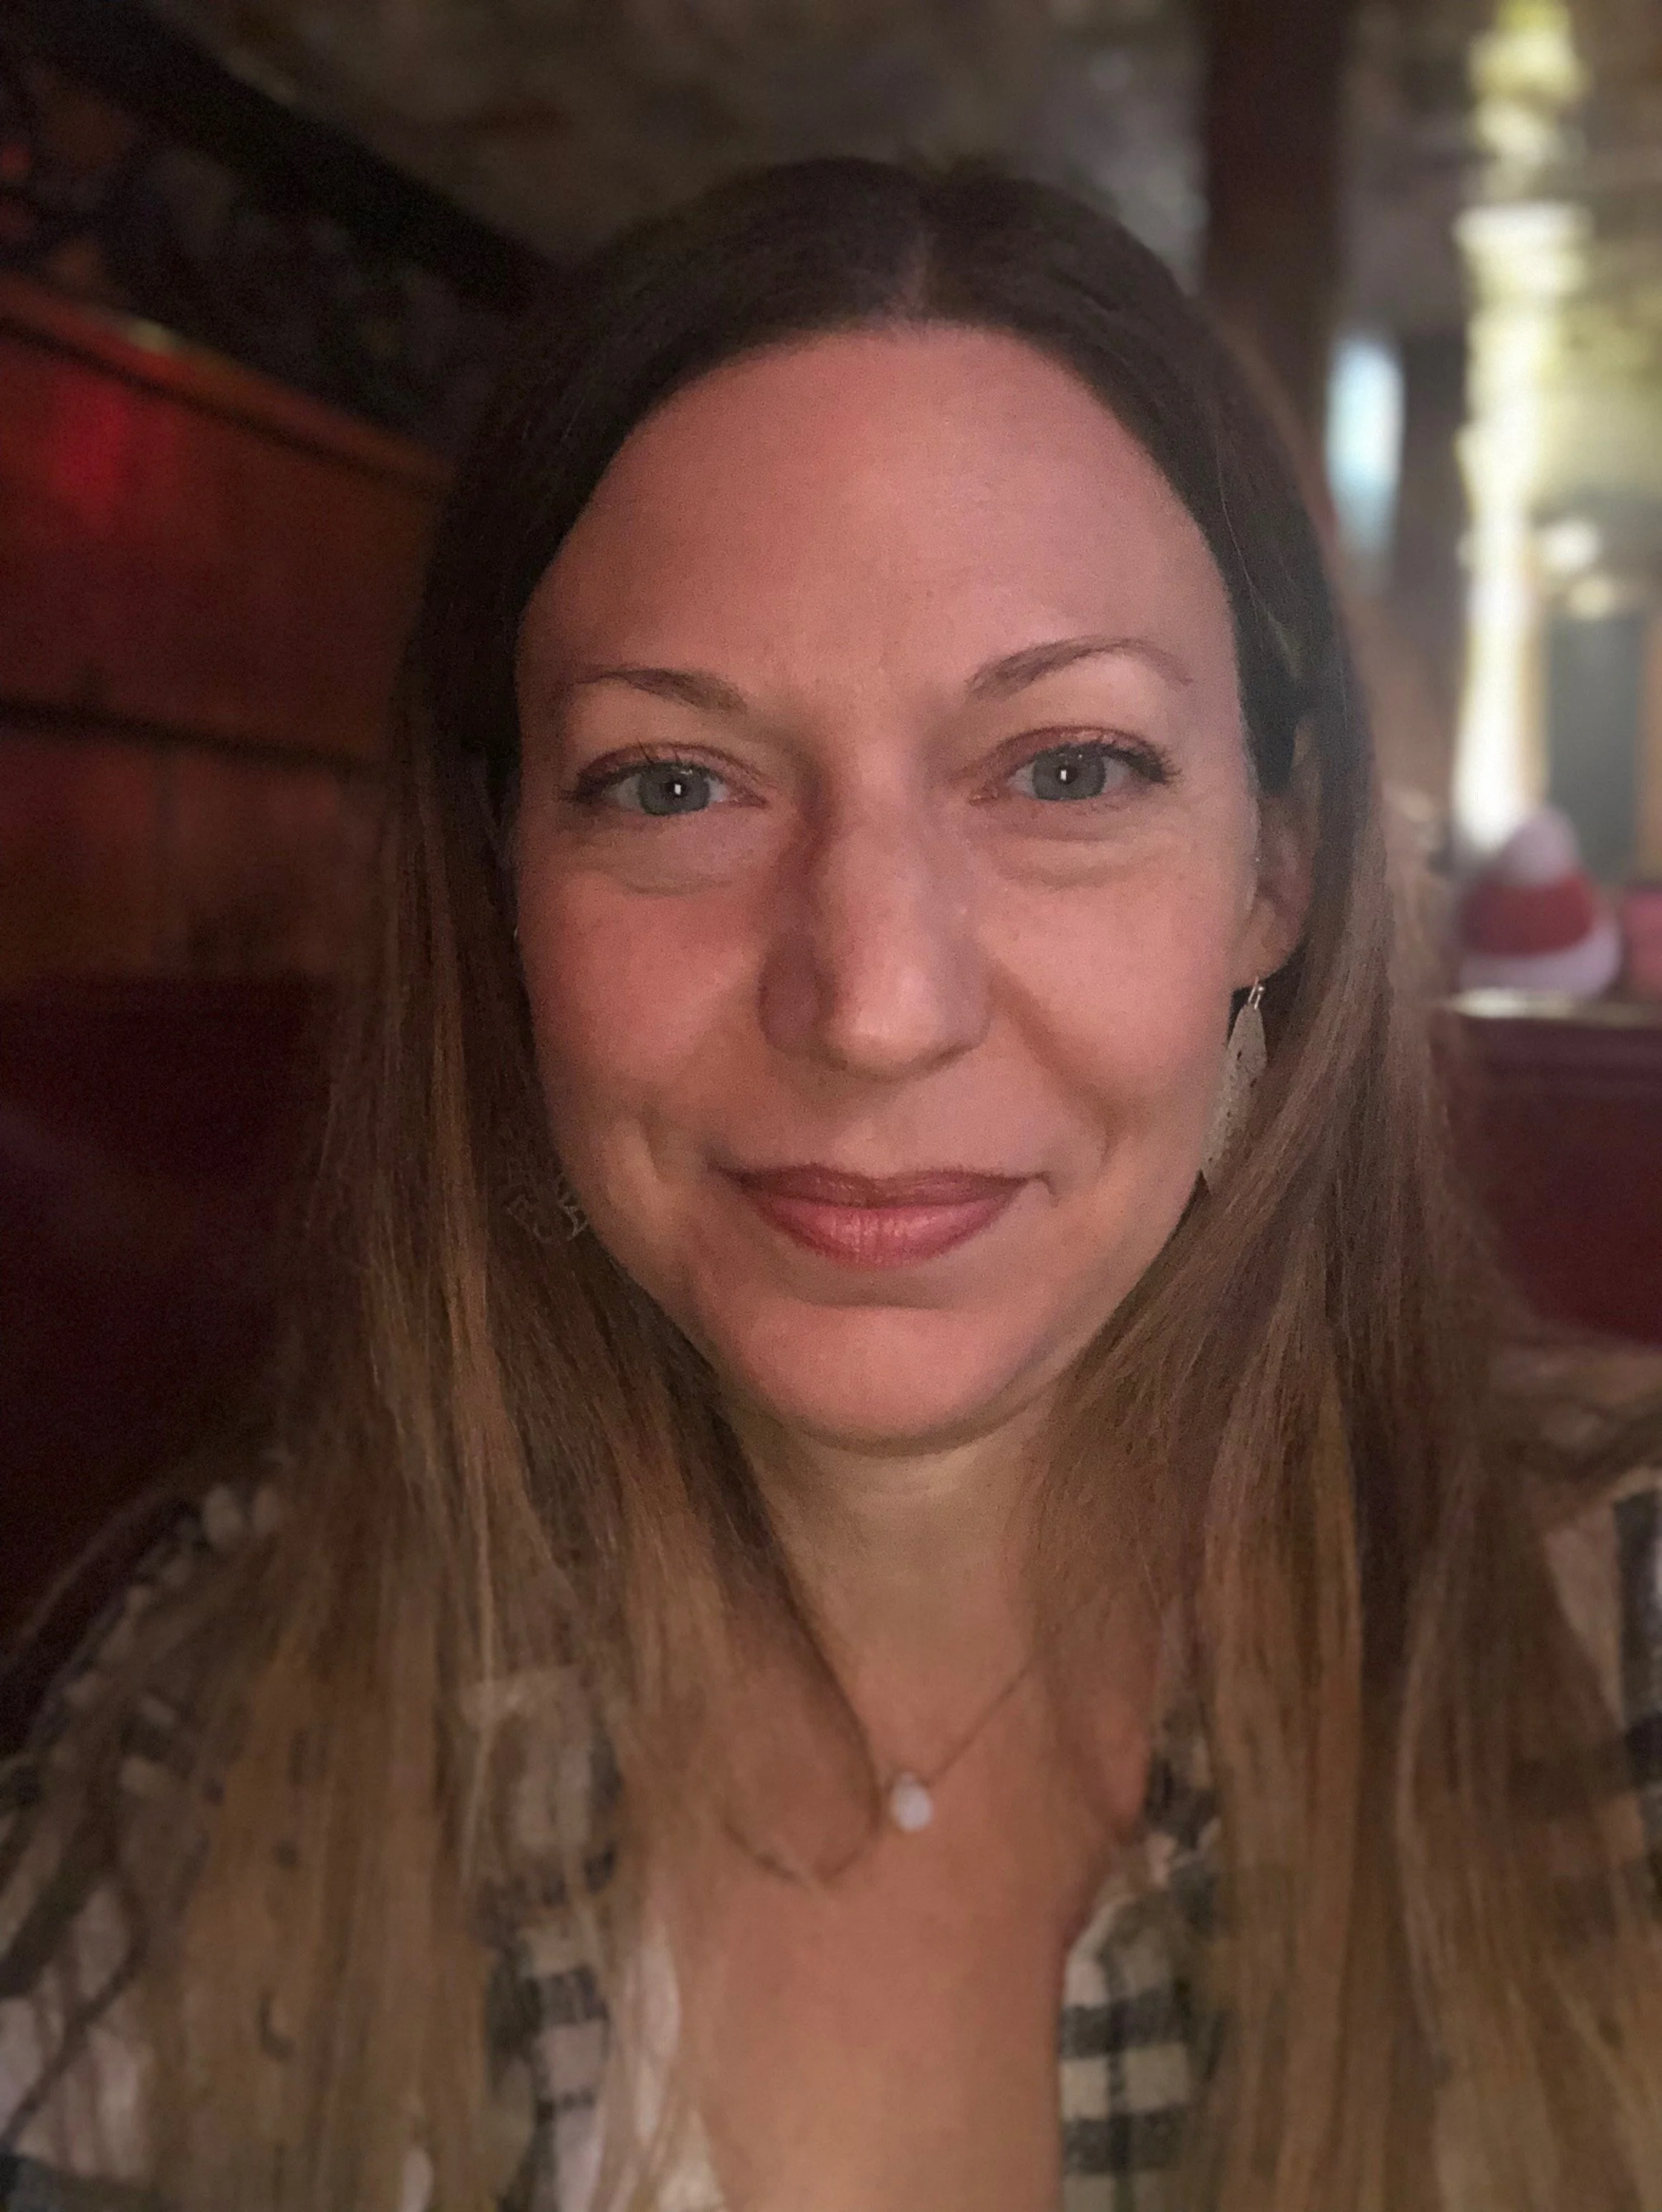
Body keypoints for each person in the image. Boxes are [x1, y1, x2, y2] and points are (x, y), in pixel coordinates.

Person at [4, 156, 1661, 2212]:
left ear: (1280, 867)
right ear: (507, 890)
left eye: (1068, 768)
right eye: (674, 784)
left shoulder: (1623, 1649)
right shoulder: (234, 1714)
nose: (876, 1008)